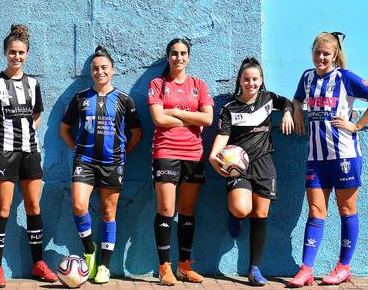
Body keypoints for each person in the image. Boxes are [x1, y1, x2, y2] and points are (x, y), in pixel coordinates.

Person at [288, 32, 368, 287]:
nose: (320, 57)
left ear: (335, 55)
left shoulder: (345, 78)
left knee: (346, 209)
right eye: (317, 52)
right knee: (315, 210)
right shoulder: (307, 77)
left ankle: (344, 267)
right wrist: (296, 111)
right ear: (312, 52)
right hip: (316, 157)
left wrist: (357, 126)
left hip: (344, 155)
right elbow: (297, 98)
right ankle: (306, 269)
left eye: (326, 53)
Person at [0, 24, 57, 287]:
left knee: (33, 207)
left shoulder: (33, 83)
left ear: (27, 54)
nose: (17, 56)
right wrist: (3, 145)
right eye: (12, 52)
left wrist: (27, 137)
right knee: (3, 209)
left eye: (21, 52)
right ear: (5, 53)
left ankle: (38, 263)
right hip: (4, 154)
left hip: (30, 152)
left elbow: (36, 115)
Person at [59, 46, 143, 284]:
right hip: (84, 161)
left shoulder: (124, 99)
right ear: (90, 72)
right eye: (95, 68)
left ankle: (104, 266)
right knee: (78, 205)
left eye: (104, 67)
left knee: (108, 212)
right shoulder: (81, 98)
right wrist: (76, 148)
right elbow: (64, 129)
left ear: (112, 70)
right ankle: (89, 249)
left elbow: (137, 133)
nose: (99, 72)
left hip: (112, 163)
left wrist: (122, 154)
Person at [208, 57, 293, 286]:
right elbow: (222, 138)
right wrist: (213, 156)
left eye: (255, 79)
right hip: (240, 167)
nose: (251, 83)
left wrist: (286, 113)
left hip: (265, 164)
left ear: (261, 80)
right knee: (242, 209)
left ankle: (254, 268)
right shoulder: (229, 109)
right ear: (240, 80)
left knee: (261, 215)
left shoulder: (268, 99)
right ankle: (234, 216)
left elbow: (287, 102)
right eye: (247, 79)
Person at [147, 38, 213, 285]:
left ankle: (184, 265)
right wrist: (190, 119)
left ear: (189, 57)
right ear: (168, 57)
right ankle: (165, 267)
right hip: (165, 152)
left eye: (183, 53)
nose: (179, 58)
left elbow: (207, 119)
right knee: (166, 210)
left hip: (193, 154)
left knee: (187, 211)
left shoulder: (199, 85)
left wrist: (174, 112)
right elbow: (157, 119)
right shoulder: (157, 84)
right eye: (174, 53)